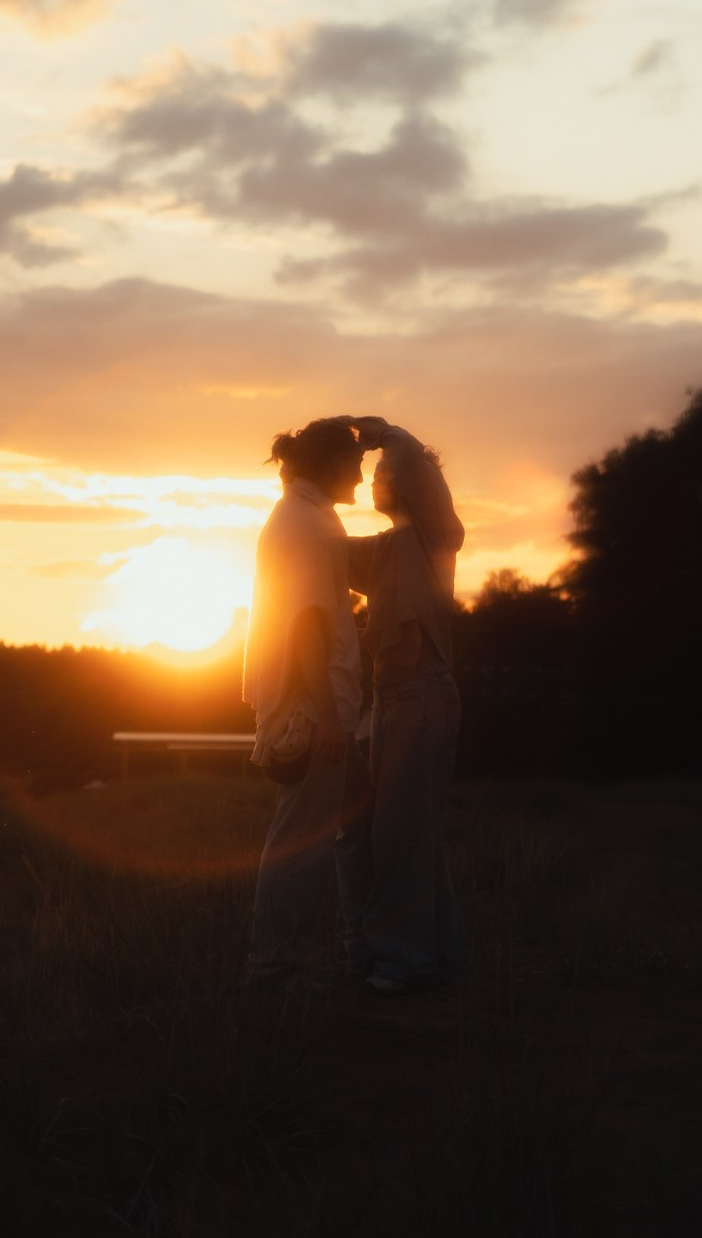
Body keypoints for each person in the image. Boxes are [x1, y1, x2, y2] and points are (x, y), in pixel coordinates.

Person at [241, 416, 374, 989]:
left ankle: (360, 947)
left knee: (361, 819)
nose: (362, 481)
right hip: (312, 711)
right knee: (301, 843)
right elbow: (307, 627)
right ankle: (276, 966)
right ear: (330, 467)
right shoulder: (309, 526)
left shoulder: (305, 516)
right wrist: (326, 716)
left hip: (312, 705)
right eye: (355, 467)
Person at [346, 416, 467, 992]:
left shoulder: (434, 534)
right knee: (410, 831)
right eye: (373, 473)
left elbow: (417, 467)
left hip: (422, 693)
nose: (376, 481)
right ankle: (441, 956)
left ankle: (405, 963)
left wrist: (383, 432)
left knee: (399, 833)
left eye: (386, 472)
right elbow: (324, 552)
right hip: (393, 697)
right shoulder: (388, 548)